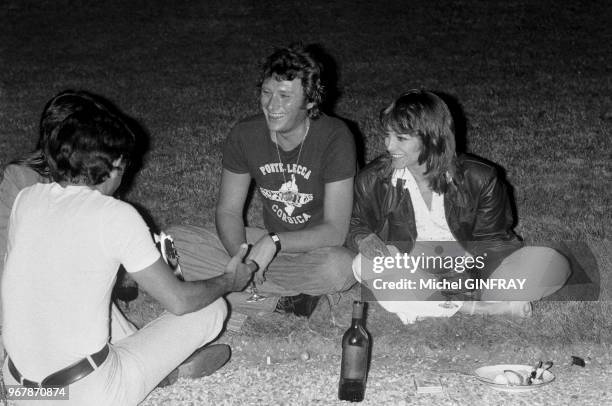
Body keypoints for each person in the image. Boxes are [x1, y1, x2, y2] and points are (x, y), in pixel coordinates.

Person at [1, 92, 256, 405]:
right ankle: (162, 367)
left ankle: (159, 366)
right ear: (113, 167)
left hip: (18, 391)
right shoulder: (115, 215)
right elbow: (179, 301)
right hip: (86, 395)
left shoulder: (26, 201)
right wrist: (230, 280)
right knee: (211, 309)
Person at [347, 90, 571, 325]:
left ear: (432, 138)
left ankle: (436, 301)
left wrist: (470, 271)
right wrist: (362, 238)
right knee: (364, 263)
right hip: (412, 269)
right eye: (387, 135)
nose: (388, 145)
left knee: (550, 262)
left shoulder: (480, 177)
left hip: (471, 269)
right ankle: (479, 308)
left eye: (401, 138)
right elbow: (355, 224)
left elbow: (493, 241)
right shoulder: (374, 179)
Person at [167, 43, 358, 316]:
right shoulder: (245, 135)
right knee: (171, 243)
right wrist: (242, 260)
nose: (271, 105)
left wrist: (273, 244)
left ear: (311, 100)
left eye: (285, 96)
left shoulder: (335, 137)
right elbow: (228, 211)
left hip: (316, 249)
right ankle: (282, 300)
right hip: (263, 246)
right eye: (267, 93)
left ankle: (229, 294)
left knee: (340, 268)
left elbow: (335, 231)